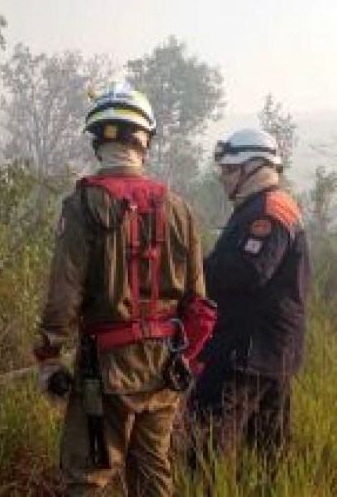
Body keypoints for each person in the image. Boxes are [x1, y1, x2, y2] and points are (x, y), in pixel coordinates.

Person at [33, 81, 213, 496]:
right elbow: (199, 301)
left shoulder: (82, 204)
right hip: (165, 368)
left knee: (88, 477)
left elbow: (64, 292)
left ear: (98, 141)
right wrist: (184, 358)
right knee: (153, 477)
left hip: (105, 370)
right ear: (145, 141)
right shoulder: (180, 208)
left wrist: (48, 356)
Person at [189, 128, 311, 464]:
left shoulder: (269, 210)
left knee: (206, 454)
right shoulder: (262, 206)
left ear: (255, 167)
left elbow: (249, 270)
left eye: (230, 169)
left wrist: (191, 272)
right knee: (266, 460)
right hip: (268, 354)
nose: (224, 178)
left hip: (245, 355)